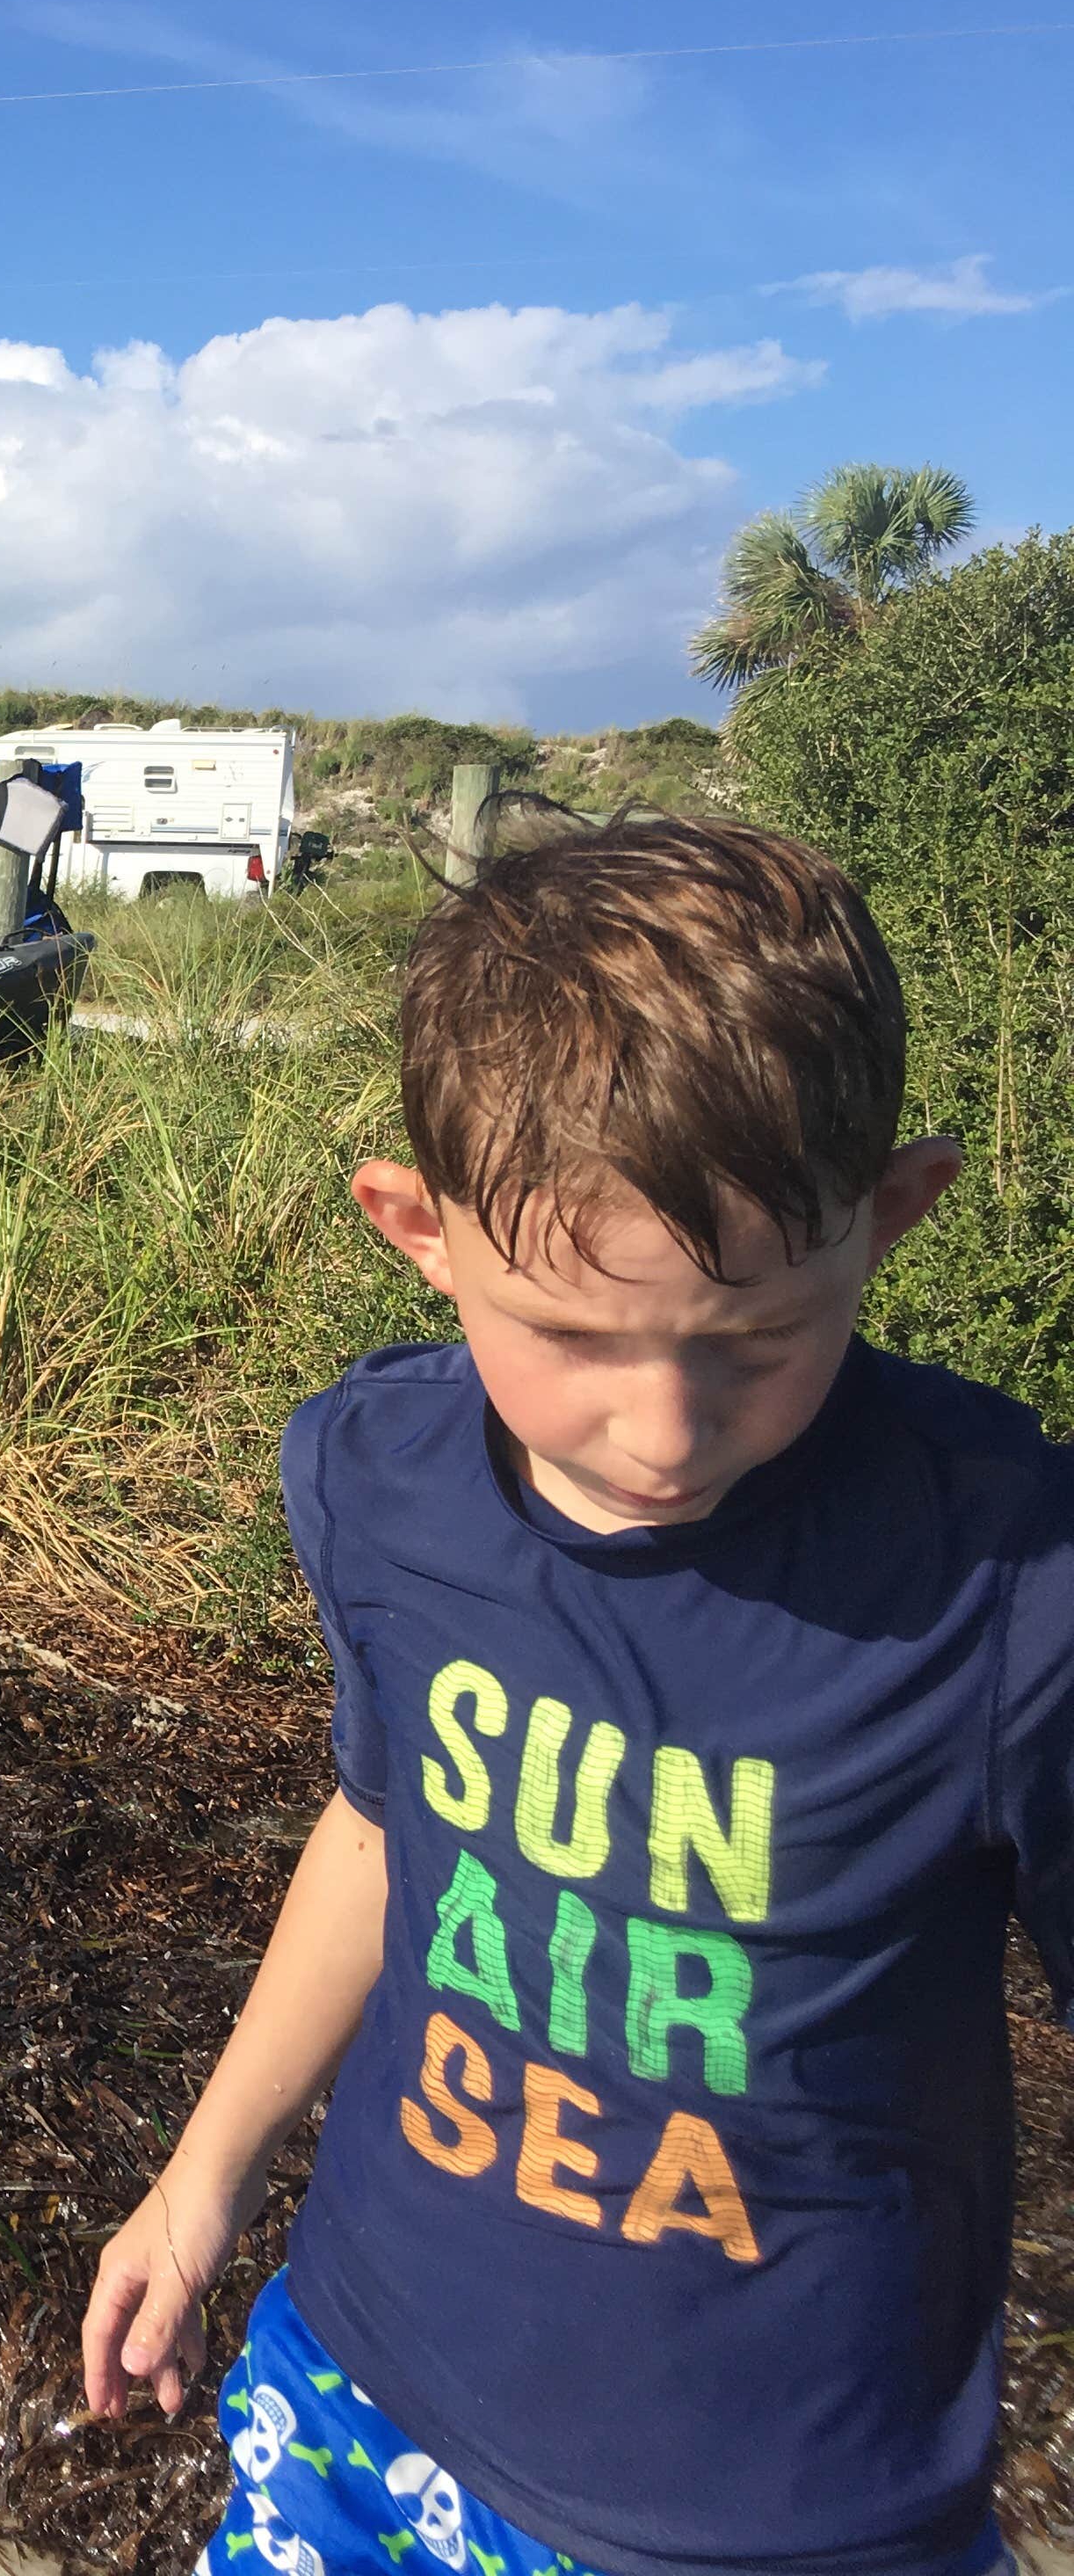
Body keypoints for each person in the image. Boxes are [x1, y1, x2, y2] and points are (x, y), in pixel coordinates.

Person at [79, 815, 1066, 2576]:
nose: (665, 1432)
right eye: (575, 1339)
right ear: (418, 1231)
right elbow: (388, 1833)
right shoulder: (377, 1476)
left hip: (765, 2517)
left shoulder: (1005, 1581)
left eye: (755, 1342)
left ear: (892, 1212)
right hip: (359, 2388)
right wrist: (202, 2177)